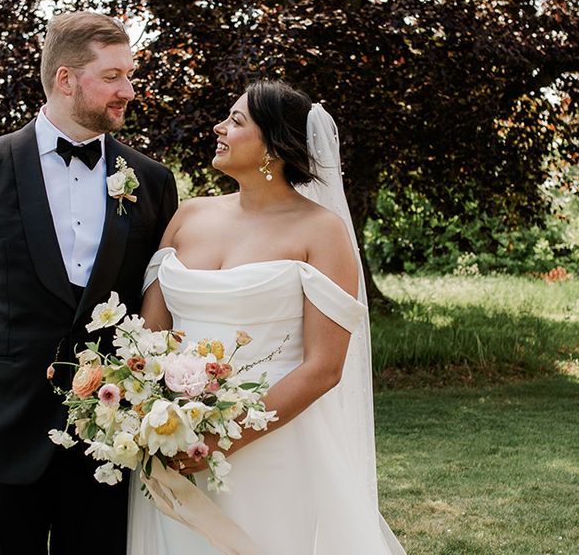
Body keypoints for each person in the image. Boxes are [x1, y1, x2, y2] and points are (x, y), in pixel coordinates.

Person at [0, 11, 178, 555]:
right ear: (65, 79)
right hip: (0, 423)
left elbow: (154, 305)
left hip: (106, 434)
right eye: (112, 76)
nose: (128, 90)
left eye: (129, 75)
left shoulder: (151, 181)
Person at [127, 80, 405, 555]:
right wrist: (146, 417)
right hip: (172, 435)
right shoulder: (188, 216)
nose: (219, 127)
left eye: (236, 121)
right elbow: (149, 339)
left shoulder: (322, 231)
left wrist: (222, 440)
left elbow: (324, 367)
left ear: (274, 146)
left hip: (272, 443)